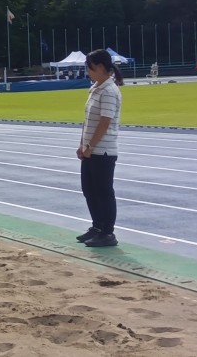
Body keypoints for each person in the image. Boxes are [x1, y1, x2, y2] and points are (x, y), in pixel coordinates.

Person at [76, 49, 123, 248]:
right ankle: (97, 226)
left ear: (101, 67)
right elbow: (87, 120)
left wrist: (91, 145)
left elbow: (105, 122)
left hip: (103, 151)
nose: (88, 71)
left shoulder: (109, 90)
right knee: (89, 189)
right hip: (90, 149)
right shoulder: (95, 88)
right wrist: (82, 144)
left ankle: (107, 232)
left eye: (90, 67)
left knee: (103, 191)